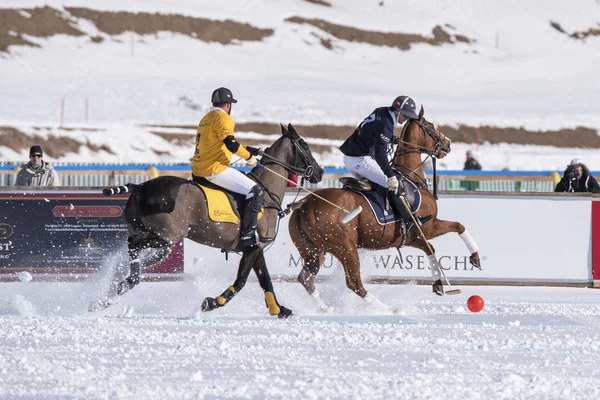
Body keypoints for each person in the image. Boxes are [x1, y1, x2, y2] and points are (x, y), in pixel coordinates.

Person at [191, 87, 262, 249]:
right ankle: (247, 236)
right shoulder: (224, 118)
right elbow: (230, 144)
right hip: (215, 170)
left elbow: (219, 142)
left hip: (198, 170)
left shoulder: (206, 118)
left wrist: (246, 148)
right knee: (255, 190)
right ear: (228, 105)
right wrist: (249, 157)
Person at [340, 95, 418, 193]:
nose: (405, 119)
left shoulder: (382, 111)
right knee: (395, 186)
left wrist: (391, 138)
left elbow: (373, 130)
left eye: (408, 117)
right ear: (397, 111)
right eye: (405, 116)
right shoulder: (386, 126)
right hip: (360, 160)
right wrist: (390, 175)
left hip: (350, 157)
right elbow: (380, 154)